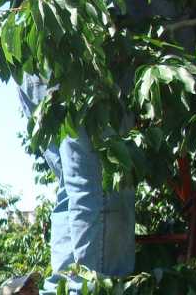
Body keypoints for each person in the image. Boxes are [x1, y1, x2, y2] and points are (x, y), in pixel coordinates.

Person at [17, 76, 136, 294]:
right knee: (103, 184)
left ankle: (66, 288)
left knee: (74, 189)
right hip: (84, 66)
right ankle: (89, 288)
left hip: (36, 70)